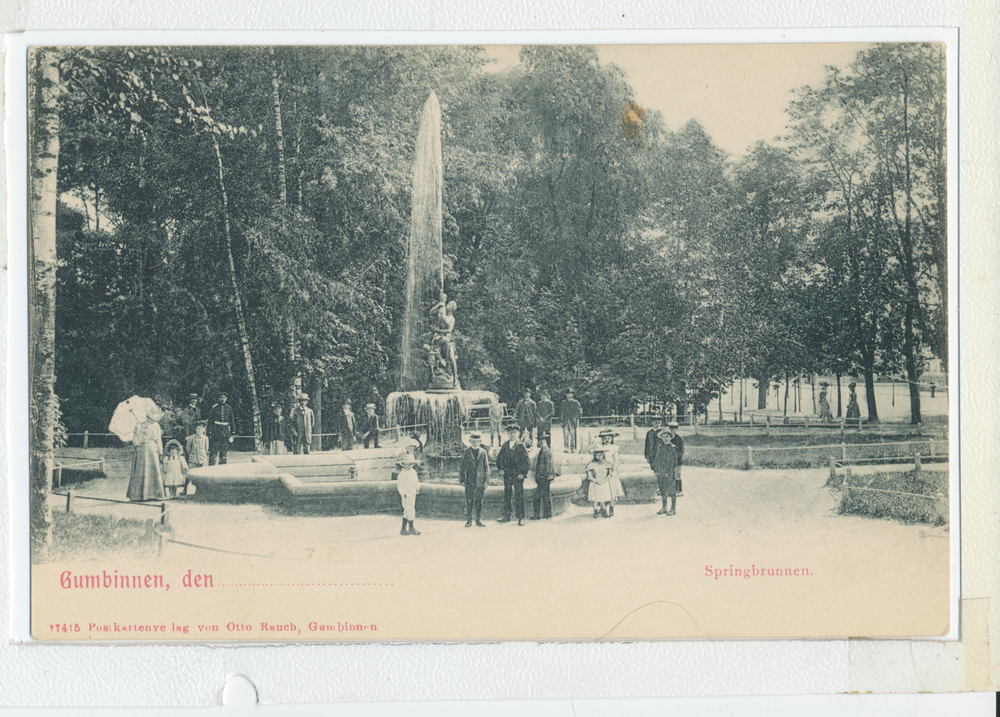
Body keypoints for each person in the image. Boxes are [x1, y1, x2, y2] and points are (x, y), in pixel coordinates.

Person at [126, 406, 165, 501]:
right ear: (147, 417)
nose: (153, 421)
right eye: (152, 418)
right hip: (142, 451)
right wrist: (142, 435)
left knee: (153, 471)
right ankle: (138, 496)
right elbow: (135, 441)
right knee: (141, 472)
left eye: (155, 419)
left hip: (152, 451)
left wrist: (161, 452)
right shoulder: (139, 426)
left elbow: (158, 440)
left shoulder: (156, 426)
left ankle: (154, 495)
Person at [496, 425, 530, 526]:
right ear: (507, 434)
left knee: (519, 495)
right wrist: (500, 469)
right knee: (507, 494)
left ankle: (521, 517)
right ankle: (507, 515)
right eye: (510, 433)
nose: (512, 435)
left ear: (518, 434)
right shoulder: (505, 445)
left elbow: (527, 461)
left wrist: (523, 473)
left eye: (514, 433)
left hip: (517, 475)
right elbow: (499, 458)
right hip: (507, 474)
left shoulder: (521, 446)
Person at [459, 431, 490, 527]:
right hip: (469, 480)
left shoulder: (483, 452)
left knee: (479, 501)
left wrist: (486, 480)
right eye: (473, 441)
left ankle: (478, 519)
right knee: (469, 500)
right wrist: (462, 479)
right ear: (469, 441)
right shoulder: (466, 452)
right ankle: (469, 520)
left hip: (480, 481)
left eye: (477, 441)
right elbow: (462, 467)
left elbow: (486, 468)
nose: (475, 443)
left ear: (480, 441)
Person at [595, 428, 624, 514]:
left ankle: (611, 507)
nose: (607, 440)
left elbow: (617, 461)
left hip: (611, 472)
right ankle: (602, 507)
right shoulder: (600, 448)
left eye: (609, 438)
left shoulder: (614, 448)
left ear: (612, 439)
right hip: (602, 472)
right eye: (605, 439)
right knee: (603, 489)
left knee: (612, 490)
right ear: (602, 440)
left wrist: (612, 469)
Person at [652, 427, 678, 516]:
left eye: (667, 436)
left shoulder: (673, 448)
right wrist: (656, 470)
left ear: (670, 437)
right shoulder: (660, 447)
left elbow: (673, 462)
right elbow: (657, 460)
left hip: (669, 473)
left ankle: (673, 508)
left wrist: (668, 472)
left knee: (671, 490)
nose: (665, 438)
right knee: (662, 489)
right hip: (661, 472)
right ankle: (664, 507)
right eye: (663, 437)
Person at [395, 454, 422, 536]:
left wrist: (417, 487)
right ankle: (410, 528)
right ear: (403, 464)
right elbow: (400, 485)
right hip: (406, 494)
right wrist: (403, 493)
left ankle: (404, 529)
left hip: (412, 492)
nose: (408, 466)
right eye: (406, 464)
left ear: (412, 464)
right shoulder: (402, 474)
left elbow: (416, 481)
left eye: (410, 464)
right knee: (408, 509)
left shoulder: (413, 472)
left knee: (410, 510)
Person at [586, 446, 614, 518]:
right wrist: (596, 481)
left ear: (603, 455)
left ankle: (604, 511)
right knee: (595, 498)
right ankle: (595, 511)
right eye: (597, 455)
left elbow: (610, 474)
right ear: (594, 455)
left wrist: (604, 480)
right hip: (595, 483)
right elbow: (589, 476)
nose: (599, 456)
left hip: (604, 482)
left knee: (603, 497)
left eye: (601, 455)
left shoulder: (607, 464)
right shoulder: (591, 464)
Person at [208, 392, 235, 466]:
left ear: (226, 399)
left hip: (225, 433)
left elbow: (232, 421)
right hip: (216, 432)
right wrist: (209, 432)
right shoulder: (214, 408)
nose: (222, 399)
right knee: (213, 453)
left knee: (224, 453)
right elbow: (210, 421)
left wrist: (233, 433)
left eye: (224, 397)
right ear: (218, 398)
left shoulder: (229, 408)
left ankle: (222, 469)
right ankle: (211, 469)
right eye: (221, 397)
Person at [531, 436, 554, 520]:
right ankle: (547, 514)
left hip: (544, 478)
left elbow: (548, 465)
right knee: (545, 495)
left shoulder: (546, 450)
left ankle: (538, 515)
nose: (539, 442)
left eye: (541, 440)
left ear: (545, 441)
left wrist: (543, 475)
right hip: (544, 477)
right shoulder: (544, 450)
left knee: (537, 496)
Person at [184, 421, 209, 495]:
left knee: (203, 475)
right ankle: (184, 489)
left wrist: (202, 455)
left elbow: (206, 448)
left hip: (202, 459)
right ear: (195, 429)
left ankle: (201, 491)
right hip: (193, 459)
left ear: (204, 430)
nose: (200, 430)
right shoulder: (191, 438)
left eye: (201, 429)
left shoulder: (205, 438)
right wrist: (193, 455)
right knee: (189, 474)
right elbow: (188, 449)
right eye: (198, 428)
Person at [560, 389, 583, 453]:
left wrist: (575, 418)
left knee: (573, 435)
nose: (569, 395)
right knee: (566, 435)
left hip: (573, 421)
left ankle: (573, 448)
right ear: (566, 395)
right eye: (567, 394)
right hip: (565, 421)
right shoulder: (563, 402)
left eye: (570, 394)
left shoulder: (575, 402)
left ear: (572, 395)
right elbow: (561, 412)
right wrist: (561, 421)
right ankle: (566, 448)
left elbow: (580, 412)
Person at [666, 420, 685, 497]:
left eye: (674, 429)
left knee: (677, 475)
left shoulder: (679, 439)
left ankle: (679, 490)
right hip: (669, 460)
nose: (672, 430)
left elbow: (681, 451)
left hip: (677, 460)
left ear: (677, 429)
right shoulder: (667, 438)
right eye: (671, 429)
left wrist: (676, 458)